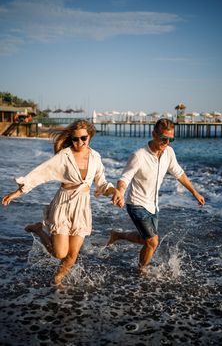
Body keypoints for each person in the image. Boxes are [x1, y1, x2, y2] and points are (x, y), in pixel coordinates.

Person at [2, 119, 122, 285]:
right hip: (64, 204)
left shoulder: (95, 157)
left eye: (83, 138)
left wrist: (114, 191)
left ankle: (57, 281)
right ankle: (39, 230)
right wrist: (17, 192)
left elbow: (101, 183)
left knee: (72, 256)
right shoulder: (64, 156)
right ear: (71, 138)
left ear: (90, 136)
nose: (79, 142)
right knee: (59, 253)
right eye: (75, 139)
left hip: (82, 207)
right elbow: (40, 174)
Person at [107, 118, 205, 272]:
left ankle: (118, 236)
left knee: (144, 239)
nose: (167, 143)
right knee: (152, 242)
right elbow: (124, 178)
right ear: (153, 134)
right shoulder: (139, 155)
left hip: (153, 206)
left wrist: (195, 192)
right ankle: (141, 271)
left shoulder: (169, 152)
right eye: (163, 139)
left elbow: (179, 173)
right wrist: (119, 192)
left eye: (170, 139)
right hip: (136, 204)